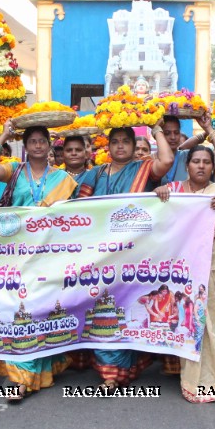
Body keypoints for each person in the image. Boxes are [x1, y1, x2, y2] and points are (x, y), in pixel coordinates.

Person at [0, 122, 80, 400]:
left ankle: (34, 369)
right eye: (32, 141)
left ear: (49, 145)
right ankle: (19, 377)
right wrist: (3, 136)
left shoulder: (64, 179)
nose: (37, 145)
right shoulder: (14, 171)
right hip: (15, 253)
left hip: (49, 254)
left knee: (40, 310)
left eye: (41, 141)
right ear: (26, 145)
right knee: (18, 309)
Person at [76, 123, 176, 387]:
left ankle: (128, 363)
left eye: (126, 142)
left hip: (134, 255)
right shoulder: (95, 175)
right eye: (115, 141)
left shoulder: (143, 169)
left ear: (134, 147)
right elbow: (78, 210)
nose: (120, 146)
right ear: (108, 147)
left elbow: (166, 159)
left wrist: (156, 130)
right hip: (99, 257)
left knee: (128, 307)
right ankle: (110, 370)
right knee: (103, 310)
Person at [155, 146, 215, 402]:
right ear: (187, 165)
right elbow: (154, 218)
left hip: (212, 269)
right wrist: (157, 195)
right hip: (180, 272)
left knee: (214, 325)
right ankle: (192, 380)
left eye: (206, 162)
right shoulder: (173, 191)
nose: (201, 166)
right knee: (189, 322)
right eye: (195, 161)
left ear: (213, 167)